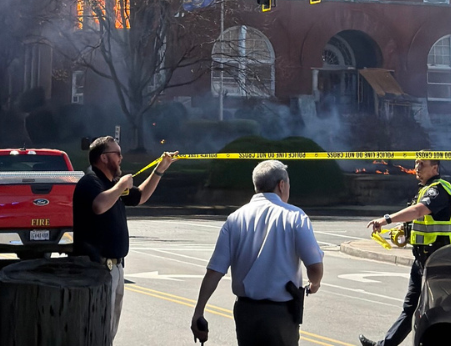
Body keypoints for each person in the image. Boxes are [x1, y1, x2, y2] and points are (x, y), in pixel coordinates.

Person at [191, 160, 324, 346]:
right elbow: (315, 266)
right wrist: (314, 284)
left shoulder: (235, 219)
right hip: (281, 314)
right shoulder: (295, 216)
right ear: (281, 185)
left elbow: (214, 271)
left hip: (246, 313)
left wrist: (199, 312)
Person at [72, 137, 176, 341]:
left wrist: (160, 169)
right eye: (117, 153)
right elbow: (99, 206)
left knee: (109, 331)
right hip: (97, 268)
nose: (121, 157)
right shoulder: (91, 181)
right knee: (97, 329)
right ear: (103, 157)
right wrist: (120, 186)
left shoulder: (111, 184)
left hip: (116, 268)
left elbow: (141, 196)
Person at [359, 158, 451, 346]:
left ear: (435, 167)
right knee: (411, 308)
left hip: (439, 262)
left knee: (438, 311)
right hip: (422, 262)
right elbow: (420, 221)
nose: (417, 168)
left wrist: (386, 220)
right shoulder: (424, 190)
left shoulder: (438, 189)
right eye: (416, 163)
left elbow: (418, 212)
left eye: (422, 164)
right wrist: (404, 232)